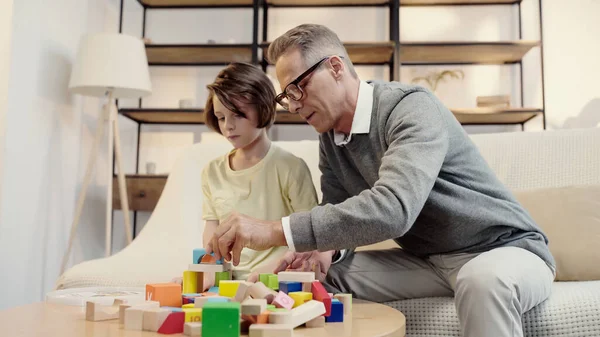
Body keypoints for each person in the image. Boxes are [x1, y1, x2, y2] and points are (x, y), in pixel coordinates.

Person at [205, 24, 556, 337]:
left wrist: (275, 230)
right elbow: (337, 208)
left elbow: (394, 208)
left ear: (336, 67)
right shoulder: (330, 137)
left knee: (482, 281)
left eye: (298, 87)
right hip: (429, 261)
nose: (294, 105)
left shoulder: (411, 109)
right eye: (286, 96)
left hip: (504, 249)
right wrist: (323, 249)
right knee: (322, 277)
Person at [189, 62, 318, 290]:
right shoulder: (212, 172)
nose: (228, 126)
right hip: (227, 281)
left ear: (263, 108)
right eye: (220, 117)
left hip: (279, 278)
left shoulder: (290, 167)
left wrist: (267, 273)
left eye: (238, 114)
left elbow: (310, 233)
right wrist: (206, 274)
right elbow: (212, 233)